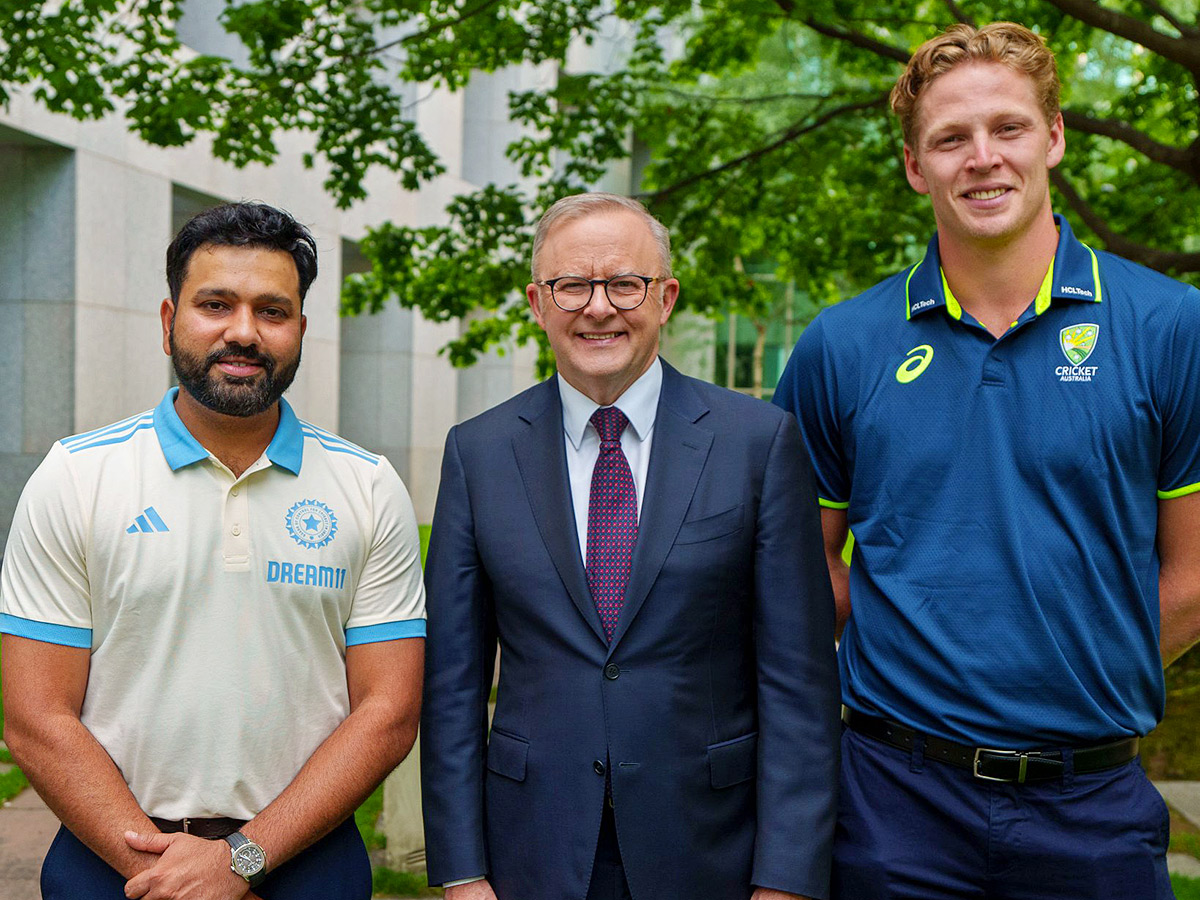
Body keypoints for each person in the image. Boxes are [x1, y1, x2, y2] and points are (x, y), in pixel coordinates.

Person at [773, 22, 1200, 900]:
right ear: (912, 165)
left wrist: (1080, 665)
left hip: (1095, 804)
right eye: (950, 138)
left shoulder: (1170, 327)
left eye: (1007, 127)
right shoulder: (842, 345)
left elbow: (1196, 567)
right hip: (892, 802)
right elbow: (802, 563)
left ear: (1053, 136)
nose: (982, 158)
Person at [0, 202, 426, 900]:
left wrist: (240, 861)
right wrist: (166, 877)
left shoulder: (368, 486)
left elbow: (387, 713)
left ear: (300, 330)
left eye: (272, 311)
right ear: (169, 322)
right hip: (111, 857)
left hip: (306, 858)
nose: (243, 332)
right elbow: (35, 718)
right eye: (215, 304)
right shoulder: (76, 477)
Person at [420, 192, 839, 900]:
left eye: (624, 283)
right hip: (532, 850)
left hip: (711, 850)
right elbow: (453, 685)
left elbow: (798, 684)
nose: (598, 307)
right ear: (536, 301)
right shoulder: (478, 453)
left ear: (666, 296)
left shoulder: (758, 444)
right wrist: (462, 873)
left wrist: (788, 880)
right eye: (572, 285)